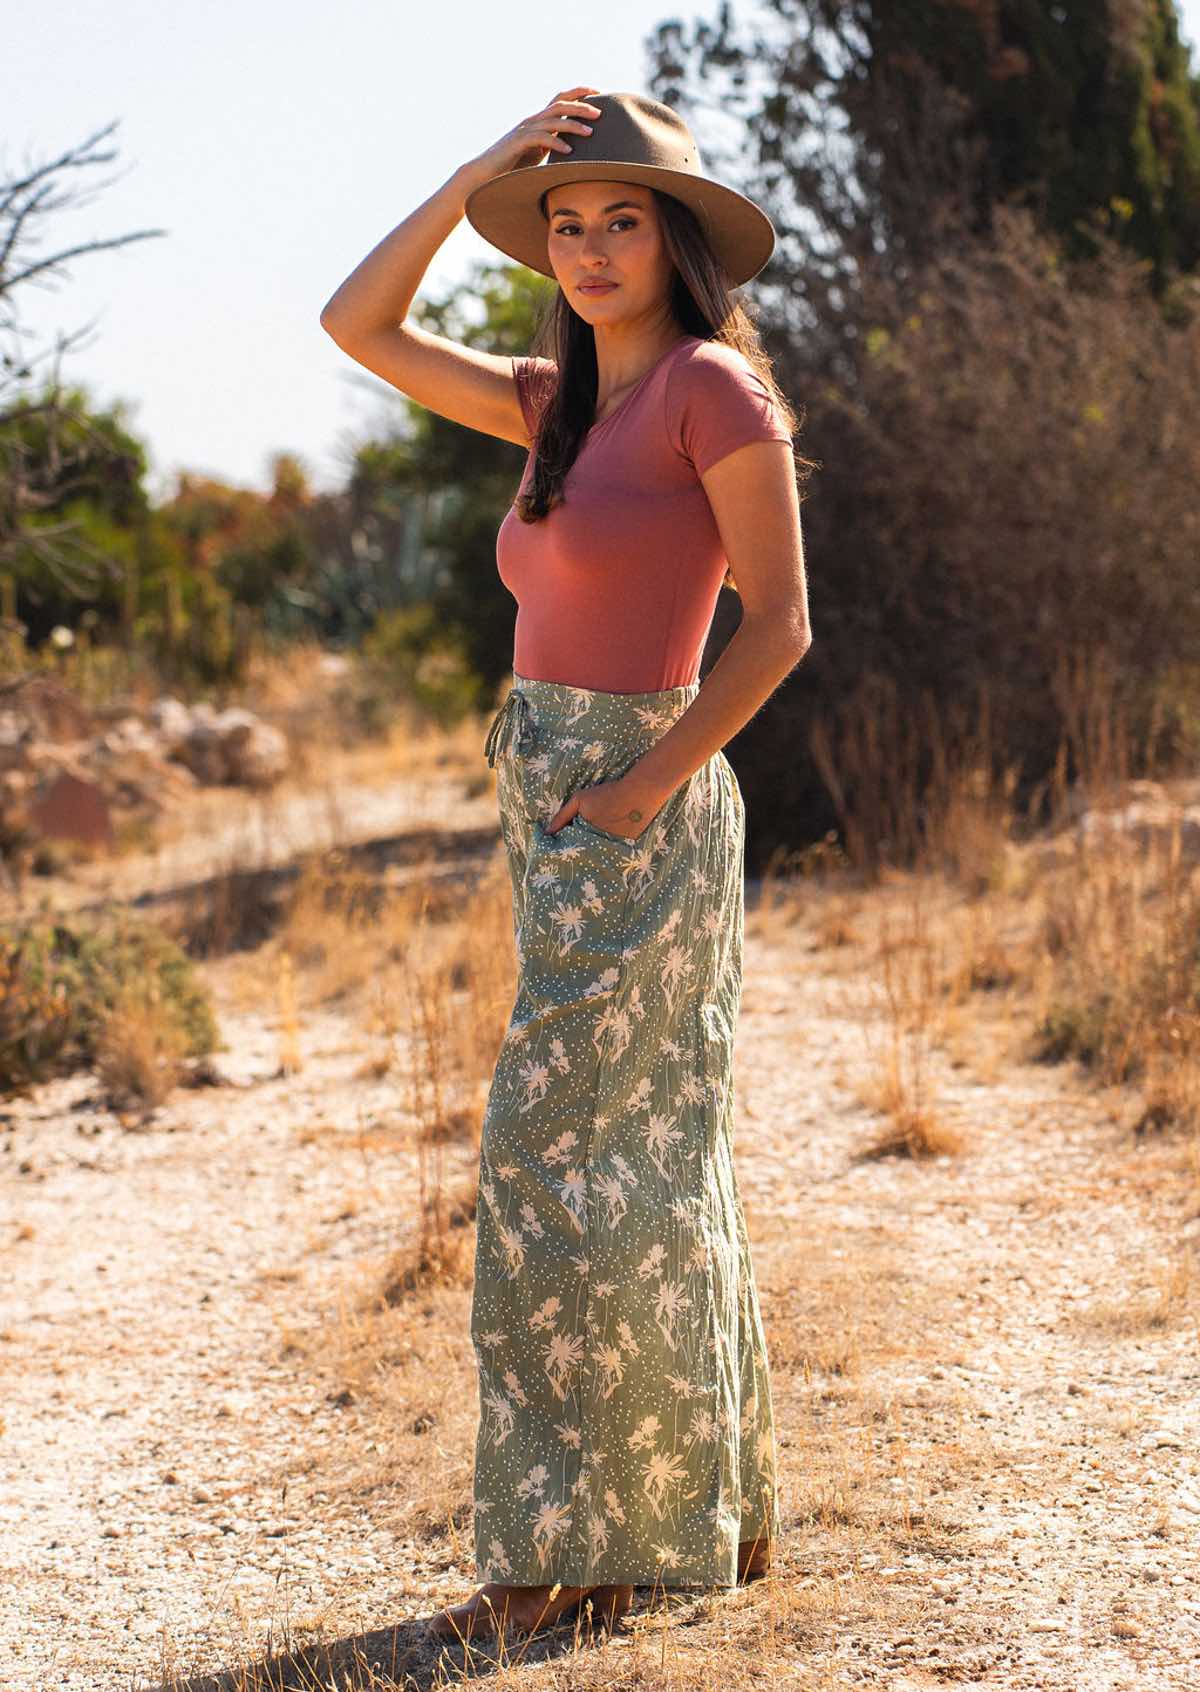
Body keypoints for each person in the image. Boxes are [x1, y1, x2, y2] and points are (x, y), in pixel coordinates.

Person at [320, 86, 813, 1645]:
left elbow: (782, 626)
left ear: (677, 241)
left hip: (634, 810)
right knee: (639, 1159)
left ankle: (559, 1549)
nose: (592, 248)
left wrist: (640, 790)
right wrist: (474, 170)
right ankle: (688, 1523)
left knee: (560, 1165)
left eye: (622, 220)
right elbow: (356, 323)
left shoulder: (710, 391)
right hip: (557, 809)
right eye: (566, 223)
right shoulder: (554, 404)